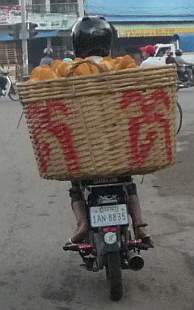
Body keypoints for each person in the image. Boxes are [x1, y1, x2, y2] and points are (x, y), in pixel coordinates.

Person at [65, 16, 154, 249]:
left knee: (76, 186)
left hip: (84, 151)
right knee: (127, 181)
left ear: (77, 44)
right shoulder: (123, 68)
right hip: (118, 147)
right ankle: (140, 224)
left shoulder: (69, 74)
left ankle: (83, 224)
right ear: (108, 42)